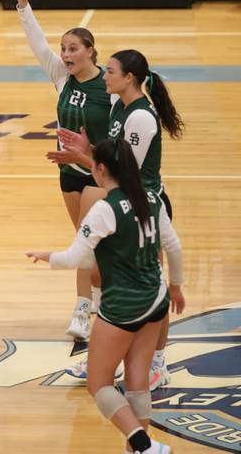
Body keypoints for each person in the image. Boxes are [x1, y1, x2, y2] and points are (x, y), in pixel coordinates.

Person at [27, 138, 185, 454]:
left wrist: (48, 256)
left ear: (100, 170)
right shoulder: (152, 197)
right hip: (155, 299)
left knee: (98, 383)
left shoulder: (105, 208)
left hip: (124, 306)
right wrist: (176, 287)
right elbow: (174, 247)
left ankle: (143, 445)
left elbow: (77, 260)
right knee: (138, 381)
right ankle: (139, 448)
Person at [55, 48, 185, 388]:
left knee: (152, 284)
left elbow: (124, 173)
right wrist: (88, 151)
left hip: (146, 208)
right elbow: (113, 160)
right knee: (107, 278)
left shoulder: (141, 117)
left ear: (129, 78)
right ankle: (105, 359)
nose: (105, 76)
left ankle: (157, 363)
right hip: (124, 205)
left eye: (110, 71)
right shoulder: (118, 106)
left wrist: (84, 158)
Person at [16, 0, 113, 340]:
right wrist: (23, 5)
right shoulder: (61, 76)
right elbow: (36, 43)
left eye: (73, 49)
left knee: (93, 242)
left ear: (90, 51)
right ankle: (84, 310)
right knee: (82, 241)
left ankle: (98, 309)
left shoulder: (110, 85)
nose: (66, 54)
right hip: (69, 173)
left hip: (99, 174)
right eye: (64, 48)